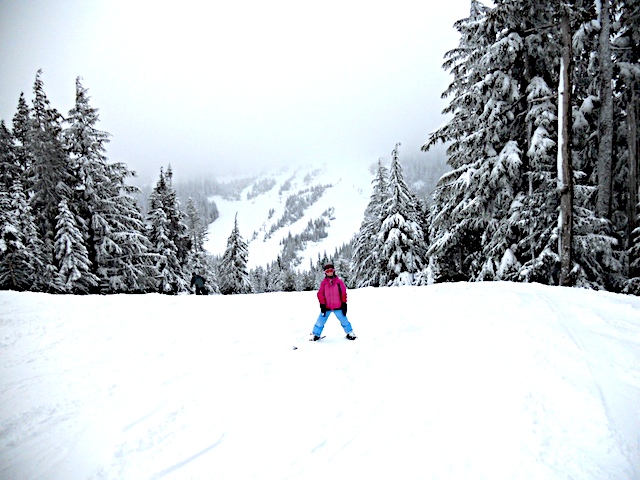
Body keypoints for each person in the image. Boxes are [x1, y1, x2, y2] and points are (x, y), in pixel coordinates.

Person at [311, 263, 356, 340]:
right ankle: (316, 334)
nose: (329, 272)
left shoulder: (339, 282)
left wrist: (344, 303)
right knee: (320, 321)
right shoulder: (324, 283)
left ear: (334, 271)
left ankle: (350, 332)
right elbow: (320, 294)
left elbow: (343, 293)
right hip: (327, 307)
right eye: (327, 271)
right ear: (325, 273)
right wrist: (322, 304)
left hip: (338, 306)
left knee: (344, 320)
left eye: (331, 270)